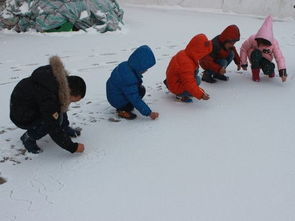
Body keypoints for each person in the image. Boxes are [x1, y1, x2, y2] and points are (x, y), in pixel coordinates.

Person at [10, 56, 86, 154]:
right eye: (73, 100)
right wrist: (73, 147)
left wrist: (64, 126)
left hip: (29, 104)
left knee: (59, 108)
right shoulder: (49, 97)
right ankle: (28, 138)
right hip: (21, 115)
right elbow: (53, 128)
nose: (71, 103)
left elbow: (62, 106)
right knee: (51, 121)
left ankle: (64, 127)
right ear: (70, 91)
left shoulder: (59, 83)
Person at [106, 45, 159, 120]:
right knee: (131, 103)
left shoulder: (126, 65)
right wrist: (149, 113)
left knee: (141, 90)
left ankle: (124, 105)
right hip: (116, 100)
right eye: (145, 68)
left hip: (114, 93)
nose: (146, 70)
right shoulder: (128, 79)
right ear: (139, 66)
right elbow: (135, 99)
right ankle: (122, 110)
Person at [164, 34, 212, 103]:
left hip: (172, 81)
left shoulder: (185, 53)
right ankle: (180, 96)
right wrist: (201, 94)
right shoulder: (186, 63)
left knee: (196, 74)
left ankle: (182, 91)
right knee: (197, 80)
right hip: (174, 86)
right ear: (199, 52)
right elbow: (189, 83)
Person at [240, 16, 287, 82]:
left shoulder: (274, 42)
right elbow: (244, 49)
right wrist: (243, 63)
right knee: (256, 53)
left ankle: (271, 71)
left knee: (268, 68)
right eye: (261, 42)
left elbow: (279, 57)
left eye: (265, 43)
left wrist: (282, 72)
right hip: (254, 57)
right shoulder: (253, 38)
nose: (263, 44)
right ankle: (255, 75)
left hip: (266, 59)